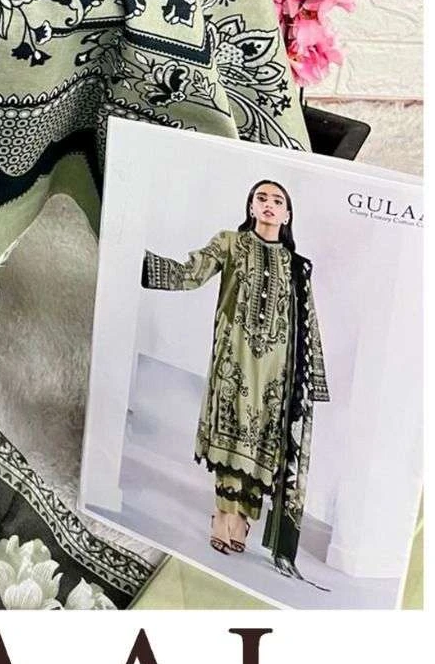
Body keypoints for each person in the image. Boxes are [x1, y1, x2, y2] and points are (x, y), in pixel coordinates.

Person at [141, 181, 329, 575]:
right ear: (250, 207)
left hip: (277, 375)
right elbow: (191, 273)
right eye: (262, 198)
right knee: (231, 434)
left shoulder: (296, 267)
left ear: (287, 215)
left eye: (277, 201)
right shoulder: (230, 243)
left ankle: (243, 517)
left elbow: (309, 323)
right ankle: (224, 514)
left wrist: (314, 381)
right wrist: (133, 257)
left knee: (263, 444)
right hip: (234, 360)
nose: (269, 205)